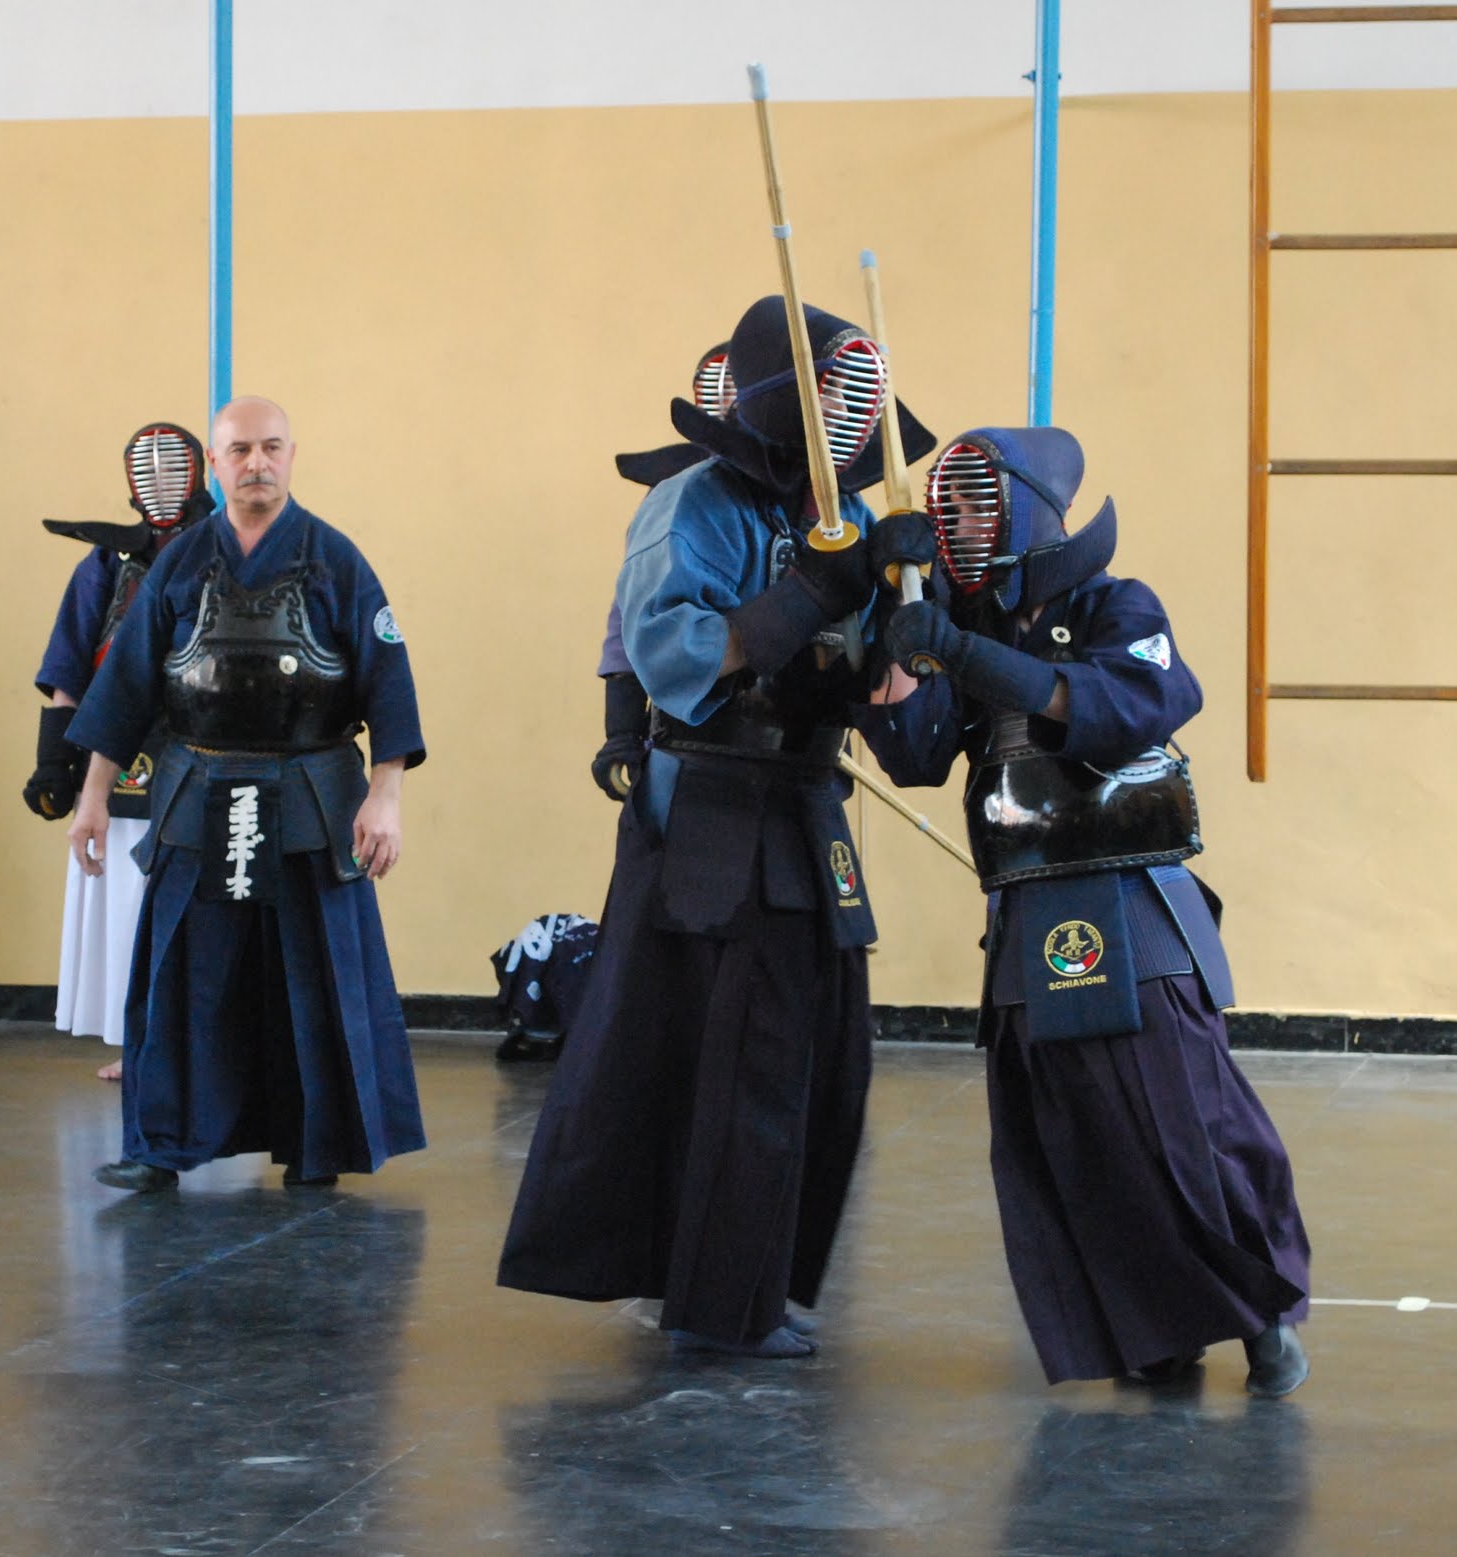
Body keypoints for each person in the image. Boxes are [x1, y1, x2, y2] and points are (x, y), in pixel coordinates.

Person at [498, 295, 935, 1358]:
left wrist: (905, 606)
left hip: (807, 806)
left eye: (860, 400)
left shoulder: (843, 519)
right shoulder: (693, 503)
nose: (850, 417)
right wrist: (808, 593)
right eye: (832, 394)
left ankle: (747, 1280)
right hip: (712, 812)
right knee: (730, 1055)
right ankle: (718, 1302)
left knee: (819, 1057)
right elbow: (670, 648)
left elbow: (872, 687)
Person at [855, 425, 1312, 1397]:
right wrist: (893, 609)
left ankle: (1261, 1313)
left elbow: (1125, 709)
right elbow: (916, 752)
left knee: (1184, 1118)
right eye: (948, 508)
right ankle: (1156, 1328)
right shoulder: (960, 619)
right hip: (1028, 909)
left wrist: (961, 648)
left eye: (975, 504)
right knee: (1071, 1133)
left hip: (1129, 895)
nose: (957, 523)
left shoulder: (1117, 604)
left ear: (1025, 509)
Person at [66, 395, 427, 1193]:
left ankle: (316, 1143)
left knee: (315, 973)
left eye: (270, 447)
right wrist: (92, 795)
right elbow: (126, 687)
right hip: (198, 789)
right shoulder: (182, 562)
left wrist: (386, 795)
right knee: (181, 975)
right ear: (217, 464)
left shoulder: (336, 559)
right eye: (240, 450)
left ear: (292, 455)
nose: (256, 463)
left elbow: (388, 682)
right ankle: (161, 1143)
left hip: (311, 795)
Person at [27, 423, 214, 1080]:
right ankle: (141, 1042)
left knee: (207, 908)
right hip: (121, 757)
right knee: (127, 905)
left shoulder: (229, 549)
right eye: (148, 468)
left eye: (173, 467)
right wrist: (54, 764)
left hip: (208, 753)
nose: (161, 480)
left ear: (198, 471)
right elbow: (70, 665)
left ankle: (207, 1046)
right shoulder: (105, 566)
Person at [591, 342, 738, 805]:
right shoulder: (676, 497)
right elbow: (632, 614)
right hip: (689, 738)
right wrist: (623, 729)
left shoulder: (812, 498)